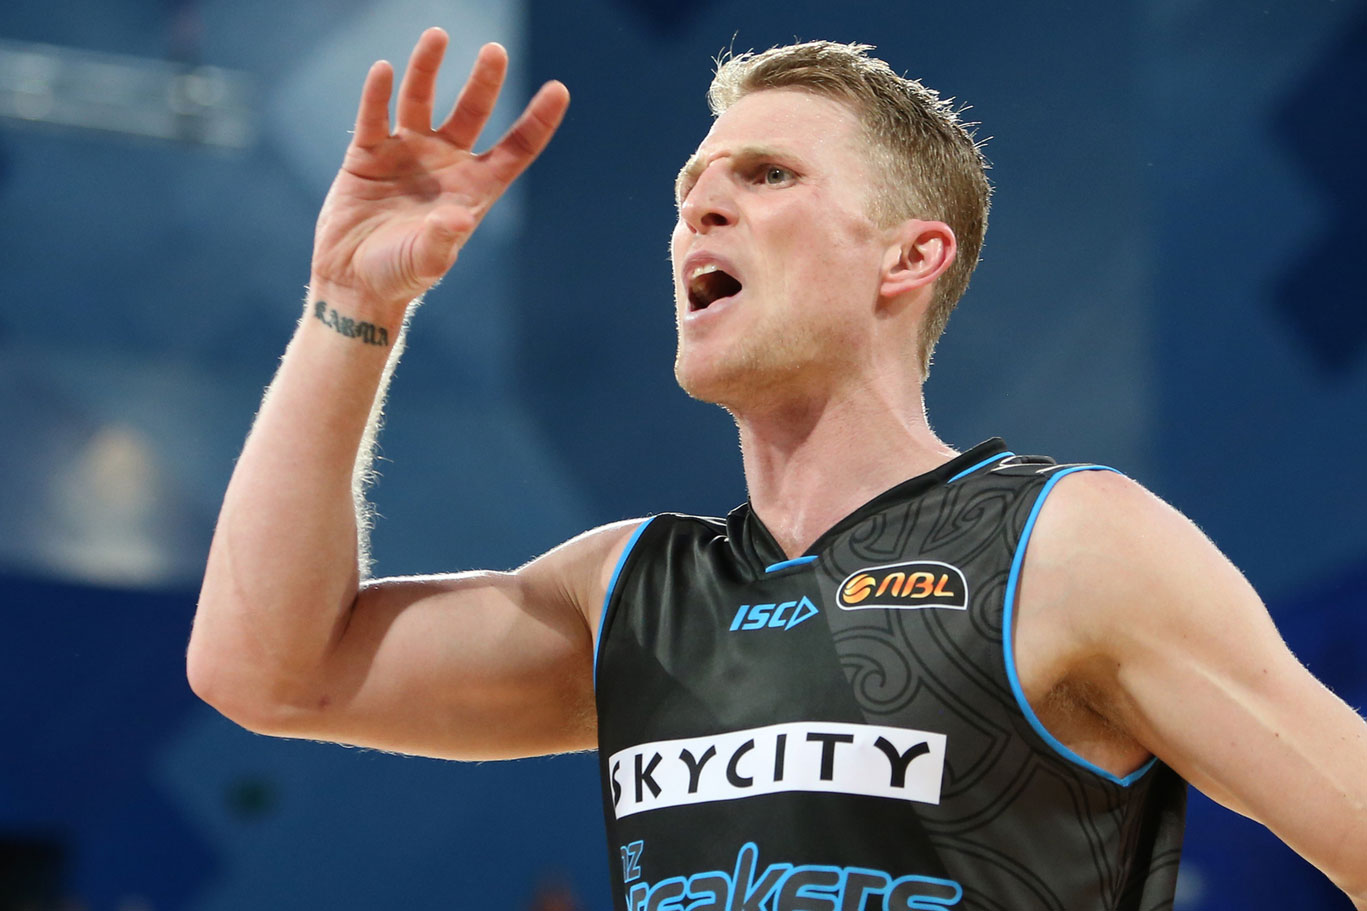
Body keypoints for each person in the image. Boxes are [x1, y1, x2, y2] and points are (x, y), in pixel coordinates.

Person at [187, 27, 1367, 909]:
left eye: (765, 176)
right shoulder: (628, 593)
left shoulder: (1068, 547)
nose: (698, 208)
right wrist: (352, 300)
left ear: (907, 257)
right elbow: (269, 669)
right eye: (688, 190)